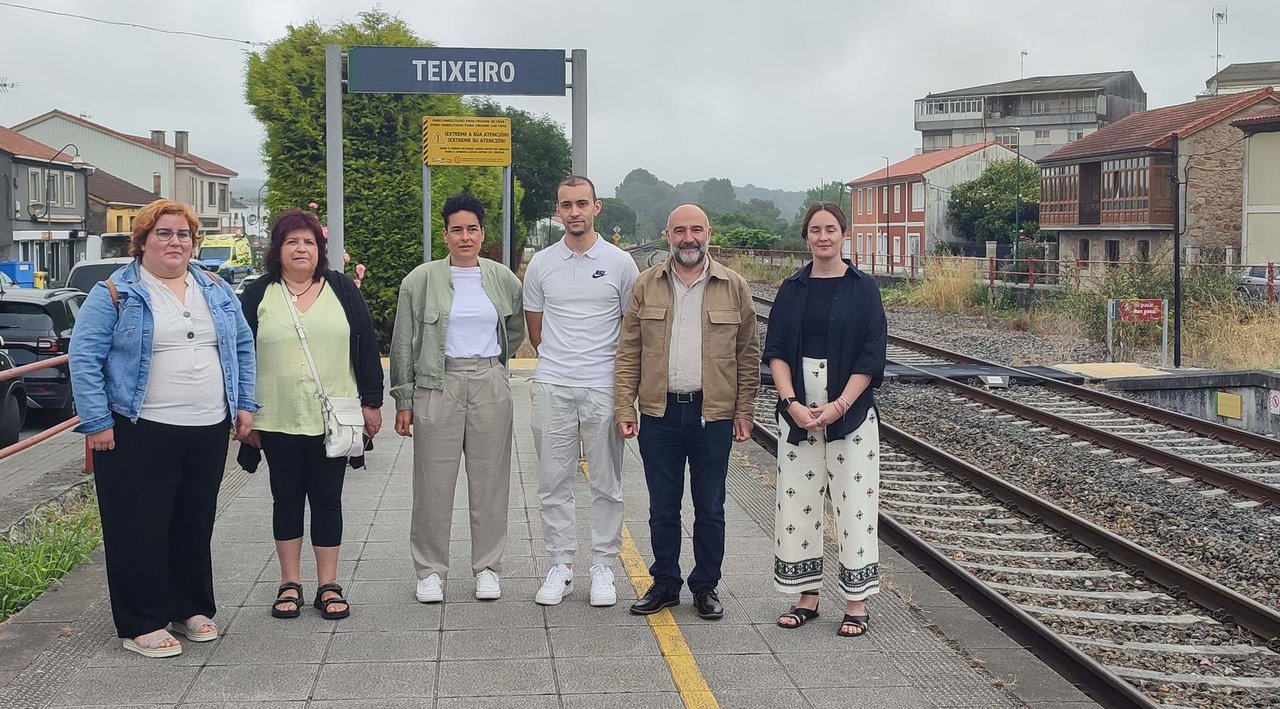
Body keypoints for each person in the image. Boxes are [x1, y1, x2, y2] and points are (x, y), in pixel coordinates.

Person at [69, 199, 257, 657]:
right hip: (137, 428)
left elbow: (243, 347)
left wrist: (245, 404)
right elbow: (84, 358)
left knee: (194, 522)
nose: (176, 242)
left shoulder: (213, 287)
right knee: (139, 525)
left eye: (184, 234)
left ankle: (190, 607)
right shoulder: (115, 292)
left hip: (207, 425)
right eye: (165, 233)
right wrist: (97, 422)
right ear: (143, 241)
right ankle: (142, 621)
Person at [615, 204, 760, 619]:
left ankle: (706, 586)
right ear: (667, 236)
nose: (688, 238)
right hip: (659, 415)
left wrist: (743, 410)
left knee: (710, 506)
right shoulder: (646, 285)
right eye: (680, 231)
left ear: (709, 233)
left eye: (696, 229)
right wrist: (626, 405)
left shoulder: (733, 286)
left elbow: (747, 355)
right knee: (662, 506)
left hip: (711, 414)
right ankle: (665, 583)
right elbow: (629, 353)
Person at [238, 209, 383, 621]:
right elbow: (240, 354)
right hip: (277, 415)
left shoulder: (340, 288)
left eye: (309, 242)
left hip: (332, 418)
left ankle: (327, 584)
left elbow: (366, 347)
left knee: (327, 499)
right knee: (285, 498)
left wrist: (371, 403)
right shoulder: (258, 294)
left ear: (320, 248)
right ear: (277, 249)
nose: (301, 249)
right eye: (291, 242)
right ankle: (289, 583)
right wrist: (243, 410)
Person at [390, 193, 525, 603]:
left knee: (490, 481)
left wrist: (495, 369)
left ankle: (487, 567)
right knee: (432, 483)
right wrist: (404, 400)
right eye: (456, 230)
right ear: (445, 234)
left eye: (472, 229)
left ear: (482, 233)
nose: (464, 237)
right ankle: (430, 570)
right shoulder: (419, 280)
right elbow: (403, 343)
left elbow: (514, 331)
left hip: (488, 380)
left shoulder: (503, 278)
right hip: (438, 382)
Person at [762, 202, 887, 637]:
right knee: (797, 502)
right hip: (798, 410)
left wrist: (840, 405)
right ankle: (806, 597)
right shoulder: (792, 288)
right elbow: (775, 350)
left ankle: (856, 601)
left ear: (843, 234)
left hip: (850, 411)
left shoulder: (864, 288)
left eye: (830, 229)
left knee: (854, 502)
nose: (823, 236)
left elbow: (872, 353)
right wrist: (791, 401)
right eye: (815, 230)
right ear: (806, 237)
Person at [523, 175, 639, 606]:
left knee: (606, 482)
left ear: (596, 208)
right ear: (558, 210)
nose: (574, 212)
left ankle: (604, 567)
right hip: (553, 384)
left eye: (581, 204)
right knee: (554, 480)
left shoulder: (621, 263)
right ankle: (561, 565)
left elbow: (630, 328)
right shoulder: (541, 264)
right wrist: (560, 360)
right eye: (566, 204)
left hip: (603, 387)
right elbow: (536, 330)